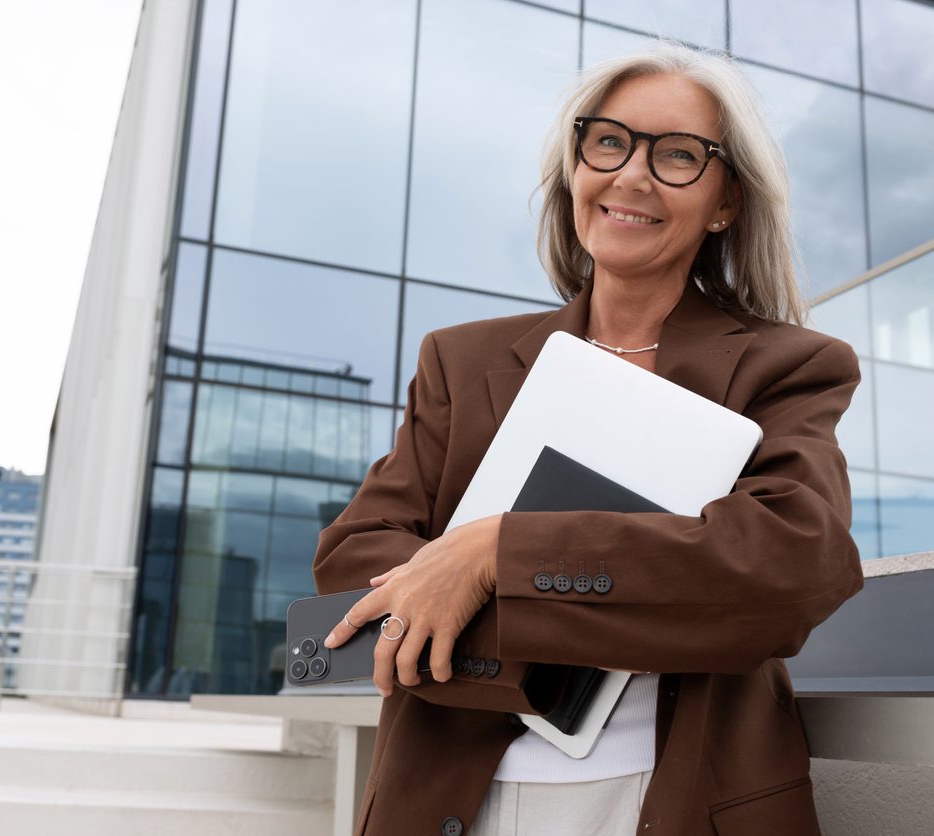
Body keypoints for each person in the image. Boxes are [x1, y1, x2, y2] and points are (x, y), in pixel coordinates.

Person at [314, 42, 862, 836]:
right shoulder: (460, 362)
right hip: (446, 800)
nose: (632, 175)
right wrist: (663, 605)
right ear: (576, 166)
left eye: (678, 155)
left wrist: (492, 557)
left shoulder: (790, 367)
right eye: (609, 141)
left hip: (677, 799)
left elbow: (785, 569)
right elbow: (355, 561)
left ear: (725, 201)